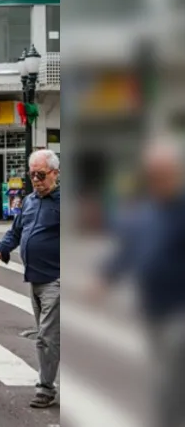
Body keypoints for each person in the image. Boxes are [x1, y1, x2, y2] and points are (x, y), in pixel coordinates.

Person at [91, 139, 185, 426]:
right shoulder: (146, 211)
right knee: (165, 373)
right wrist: (105, 278)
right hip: (153, 308)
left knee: (167, 377)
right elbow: (130, 250)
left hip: (179, 309)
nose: (158, 179)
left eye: (164, 173)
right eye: (154, 174)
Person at [0, 149, 60, 409]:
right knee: (51, 336)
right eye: (32, 175)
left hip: (58, 279)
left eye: (41, 174)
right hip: (35, 279)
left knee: (47, 338)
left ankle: (46, 388)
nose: (36, 180)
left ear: (55, 173)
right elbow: (16, 231)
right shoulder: (29, 201)